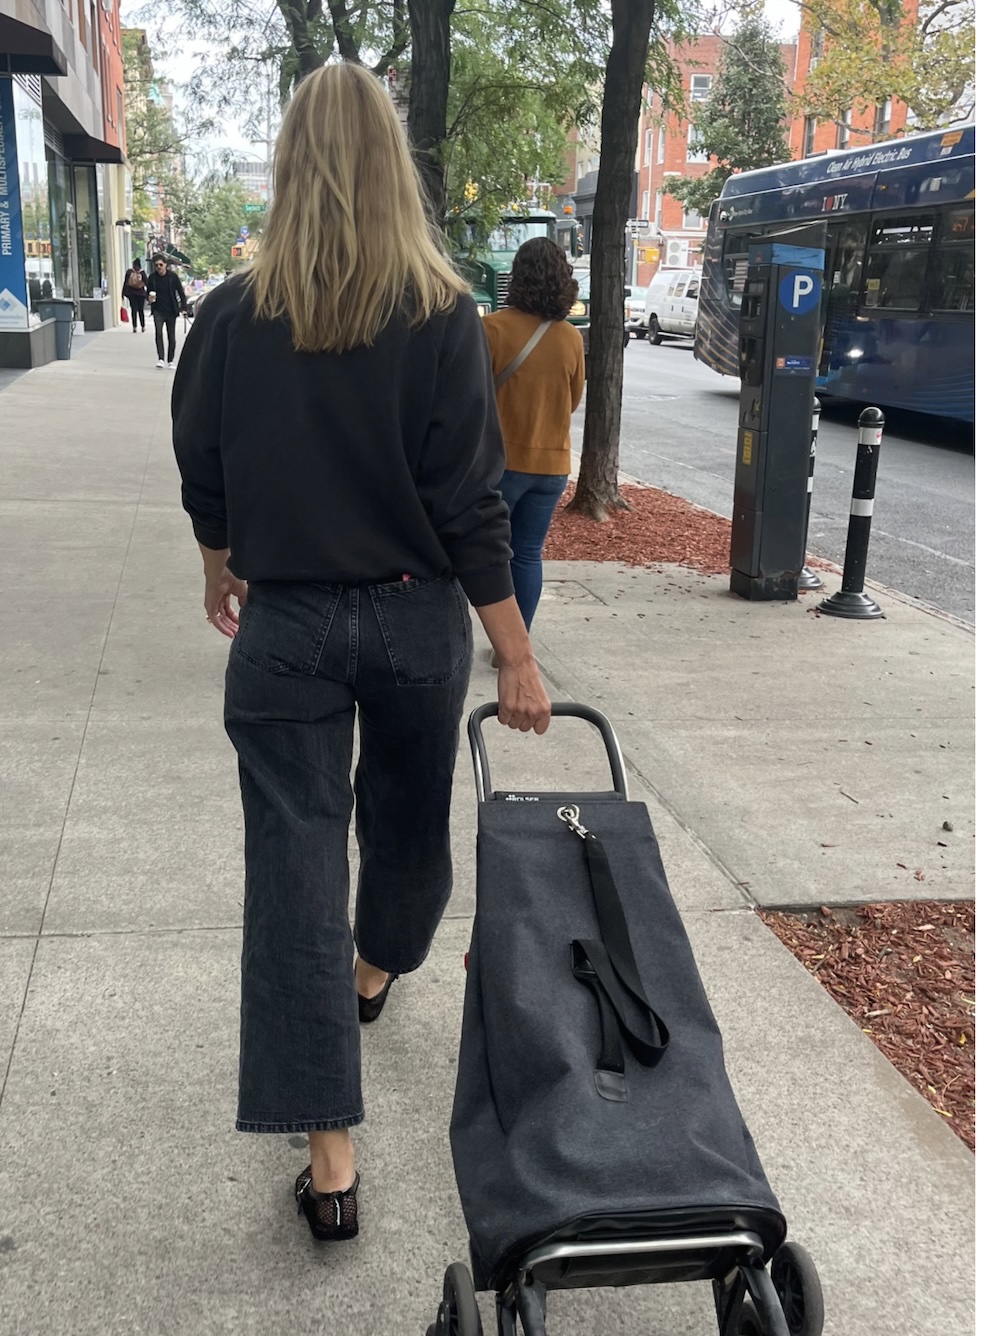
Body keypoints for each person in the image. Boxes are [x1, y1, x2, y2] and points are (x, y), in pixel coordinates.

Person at [171, 61, 553, 1245]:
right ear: (398, 170)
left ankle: (328, 1155)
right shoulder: (441, 314)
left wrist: (216, 561)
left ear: (288, 169)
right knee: (405, 824)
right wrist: (518, 653)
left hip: (284, 624)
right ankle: (378, 967)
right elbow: (468, 500)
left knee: (289, 870)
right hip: (410, 617)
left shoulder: (232, 311)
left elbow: (203, 467)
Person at [482, 236, 585, 630]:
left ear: (517, 278)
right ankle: (516, 641)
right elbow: (572, 400)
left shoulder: (491, 330)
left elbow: (470, 397)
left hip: (500, 464)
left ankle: (491, 634)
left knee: (485, 554)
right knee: (527, 554)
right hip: (552, 465)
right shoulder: (571, 338)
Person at [146, 257, 188, 367]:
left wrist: (184, 307)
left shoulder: (172, 277)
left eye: (160, 265)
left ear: (165, 265)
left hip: (171, 310)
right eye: (156, 265)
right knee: (158, 334)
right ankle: (160, 358)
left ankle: (170, 360)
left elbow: (180, 292)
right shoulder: (152, 278)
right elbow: (148, 293)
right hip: (158, 310)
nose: (158, 267)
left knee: (171, 336)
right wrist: (149, 299)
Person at [124, 261, 148, 332]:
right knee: (141, 311)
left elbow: (125, 282)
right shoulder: (142, 273)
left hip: (132, 294)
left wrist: (124, 293)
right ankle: (143, 326)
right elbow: (147, 283)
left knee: (133, 310)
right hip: (141, 294)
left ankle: (134, 327)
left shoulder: (129, 272)